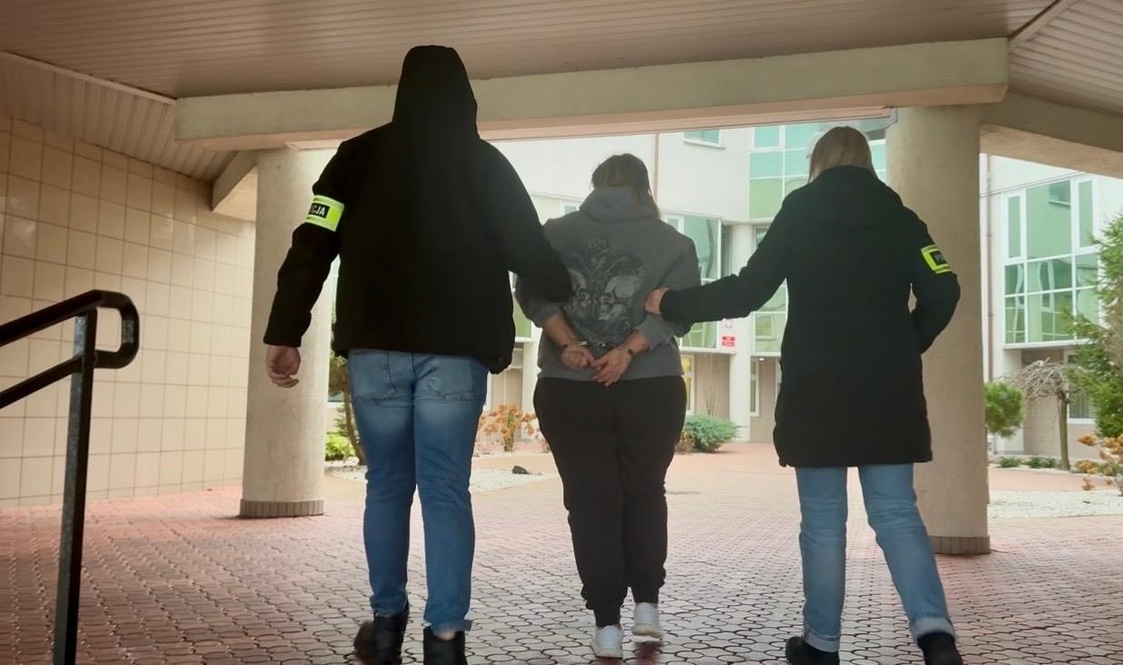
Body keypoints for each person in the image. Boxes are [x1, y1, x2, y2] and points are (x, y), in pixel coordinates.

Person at [261, 45, 572, 665]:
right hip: (455, 352)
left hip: (375, 347)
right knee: (445, 490)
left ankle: (385, 624)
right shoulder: (485, 165)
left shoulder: (355, 158)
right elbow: (528, 248)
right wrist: (560, 285)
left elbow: (313, 241)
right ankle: (446, 637)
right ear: (465, 96)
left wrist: (285, 330)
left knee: (386, 487)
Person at [645, 127, 965, 665]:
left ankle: (821, 645)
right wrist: (907, 342)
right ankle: (936, 635)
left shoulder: (800, 212)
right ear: (866, 163)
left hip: (817, 389)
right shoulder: (902, 219)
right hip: (888, 391)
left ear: (818, 162)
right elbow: (944, 286)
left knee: (822, 520)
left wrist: (673, 301)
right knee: (896, 514)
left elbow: (747, 291)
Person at [515, 154, 700, 659]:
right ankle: (648, 606)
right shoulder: (673, 242)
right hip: (651, 387)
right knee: (645, 492)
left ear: (596, 185)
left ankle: (606, 626)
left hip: (569, 388)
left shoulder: (555, 233)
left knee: (590, 502)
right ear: (643, 188)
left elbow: (531, 294)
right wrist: (627, 351)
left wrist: (570, 343)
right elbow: (679, 312)